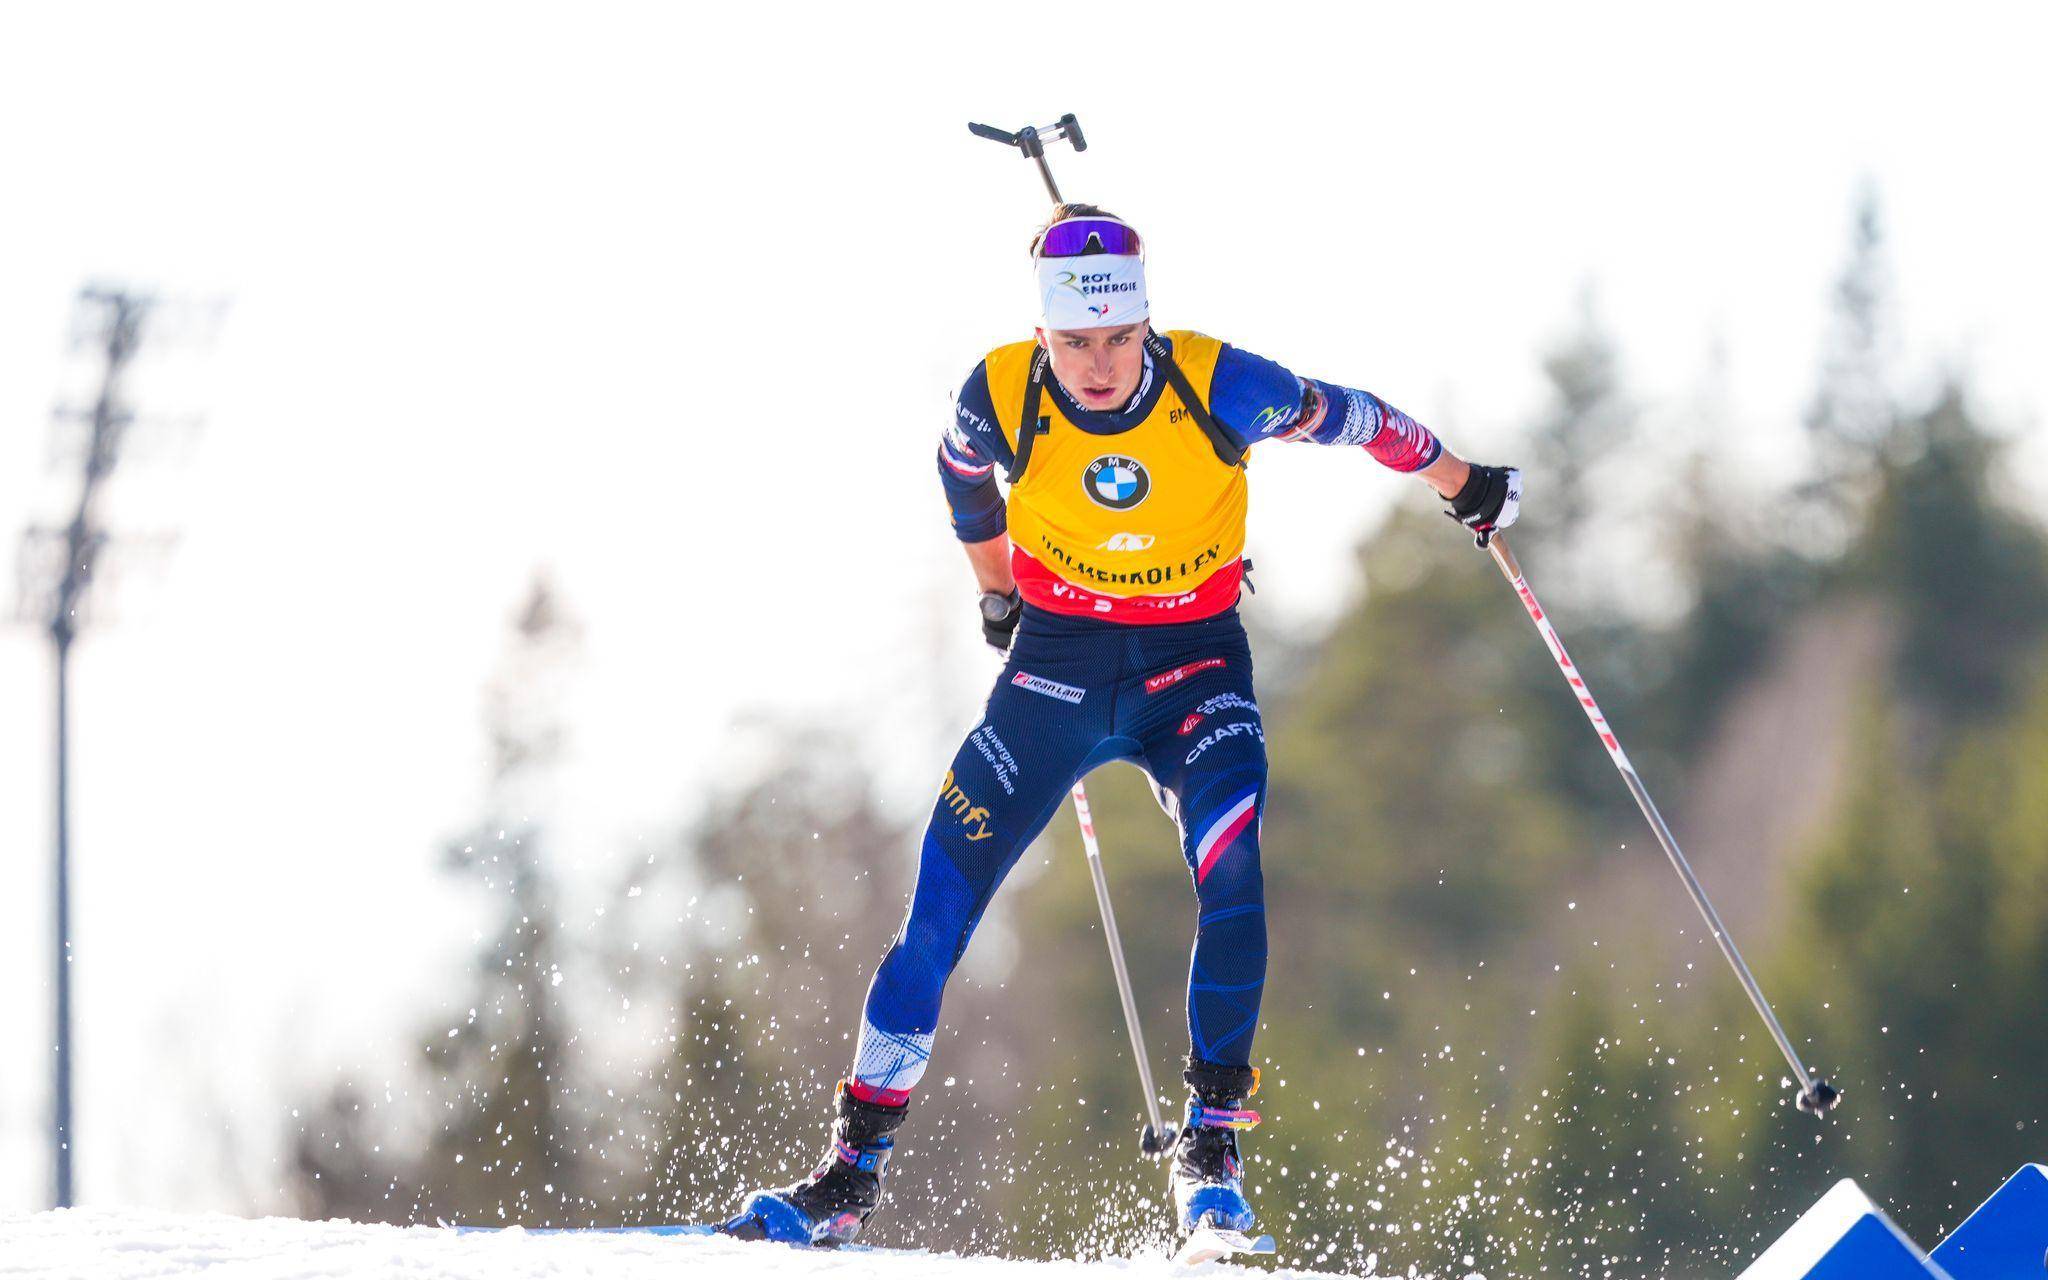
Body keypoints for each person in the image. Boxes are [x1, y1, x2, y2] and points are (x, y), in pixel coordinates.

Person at [719, 204, 1521, 1246]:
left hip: (1193, 674)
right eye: (1073, 342)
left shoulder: (1217, 383)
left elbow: (1357, 417)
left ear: (1146, 323)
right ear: (1042, 335)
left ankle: (1211, 1153)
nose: (1097, 365)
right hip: (1053, 674)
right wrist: (996, 587)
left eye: (1117, 338)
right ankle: (846, 1176)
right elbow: (959, 476)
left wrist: (1464, 482)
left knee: (1233, 867)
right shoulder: (1000, 392)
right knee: (935, 912)